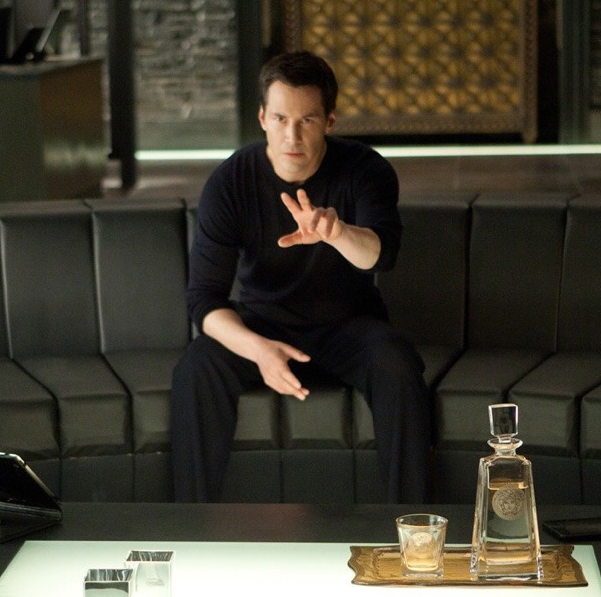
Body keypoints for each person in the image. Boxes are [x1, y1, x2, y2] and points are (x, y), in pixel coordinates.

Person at [171, 50, 431, 503]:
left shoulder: (365, 169)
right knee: (197, 367)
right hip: (263, 323)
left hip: (348, 325)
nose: (292, 135)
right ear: (262, 118)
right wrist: (260, 351)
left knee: (398, 364)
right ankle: (191, 528)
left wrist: (337, 232)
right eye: (280, 119)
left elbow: (381, 255)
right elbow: (204, 300)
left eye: (307, 120)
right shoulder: (230, 182)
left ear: (329, 120)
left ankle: (414, 529)